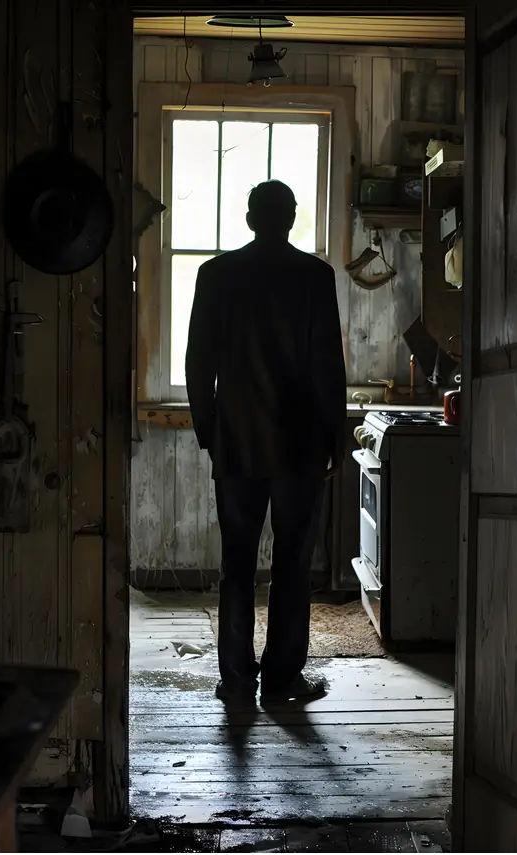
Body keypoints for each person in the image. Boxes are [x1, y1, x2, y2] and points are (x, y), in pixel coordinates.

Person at [186, 180, 346, 705]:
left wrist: (210, 429)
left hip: (237, 442)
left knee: (237, 565)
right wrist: (335, 438)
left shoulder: (216, 275)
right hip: (299, 444)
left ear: (251, 218)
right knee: (292, 566)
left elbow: (198, 362)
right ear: (292, 218)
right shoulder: (315, 278)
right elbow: (326, 366)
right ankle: (281, 681)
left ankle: (235, 680)